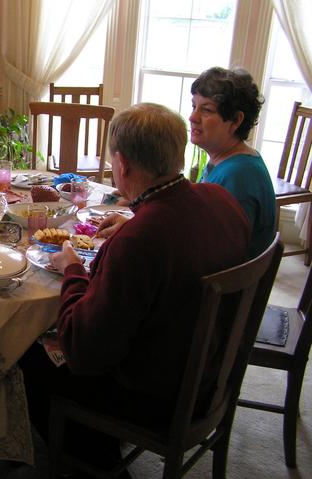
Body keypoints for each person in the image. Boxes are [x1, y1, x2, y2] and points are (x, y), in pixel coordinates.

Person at [19, 103, 250, 475]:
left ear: (122, 165)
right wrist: (135, 222)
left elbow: (83, 351)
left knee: (27, 352)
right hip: (209, 371)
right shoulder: (221, 200)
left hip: (157, 397)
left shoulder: (141, 240)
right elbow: (177, 234)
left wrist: (74, 268)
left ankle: (91, 460)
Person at [190, 66, 276, 259]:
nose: (193, 117)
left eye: (206, 110)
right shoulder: (228, 161)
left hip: (220, 287)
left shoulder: (237, 177)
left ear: (236, 120)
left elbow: (215, 256)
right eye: (193, 106)